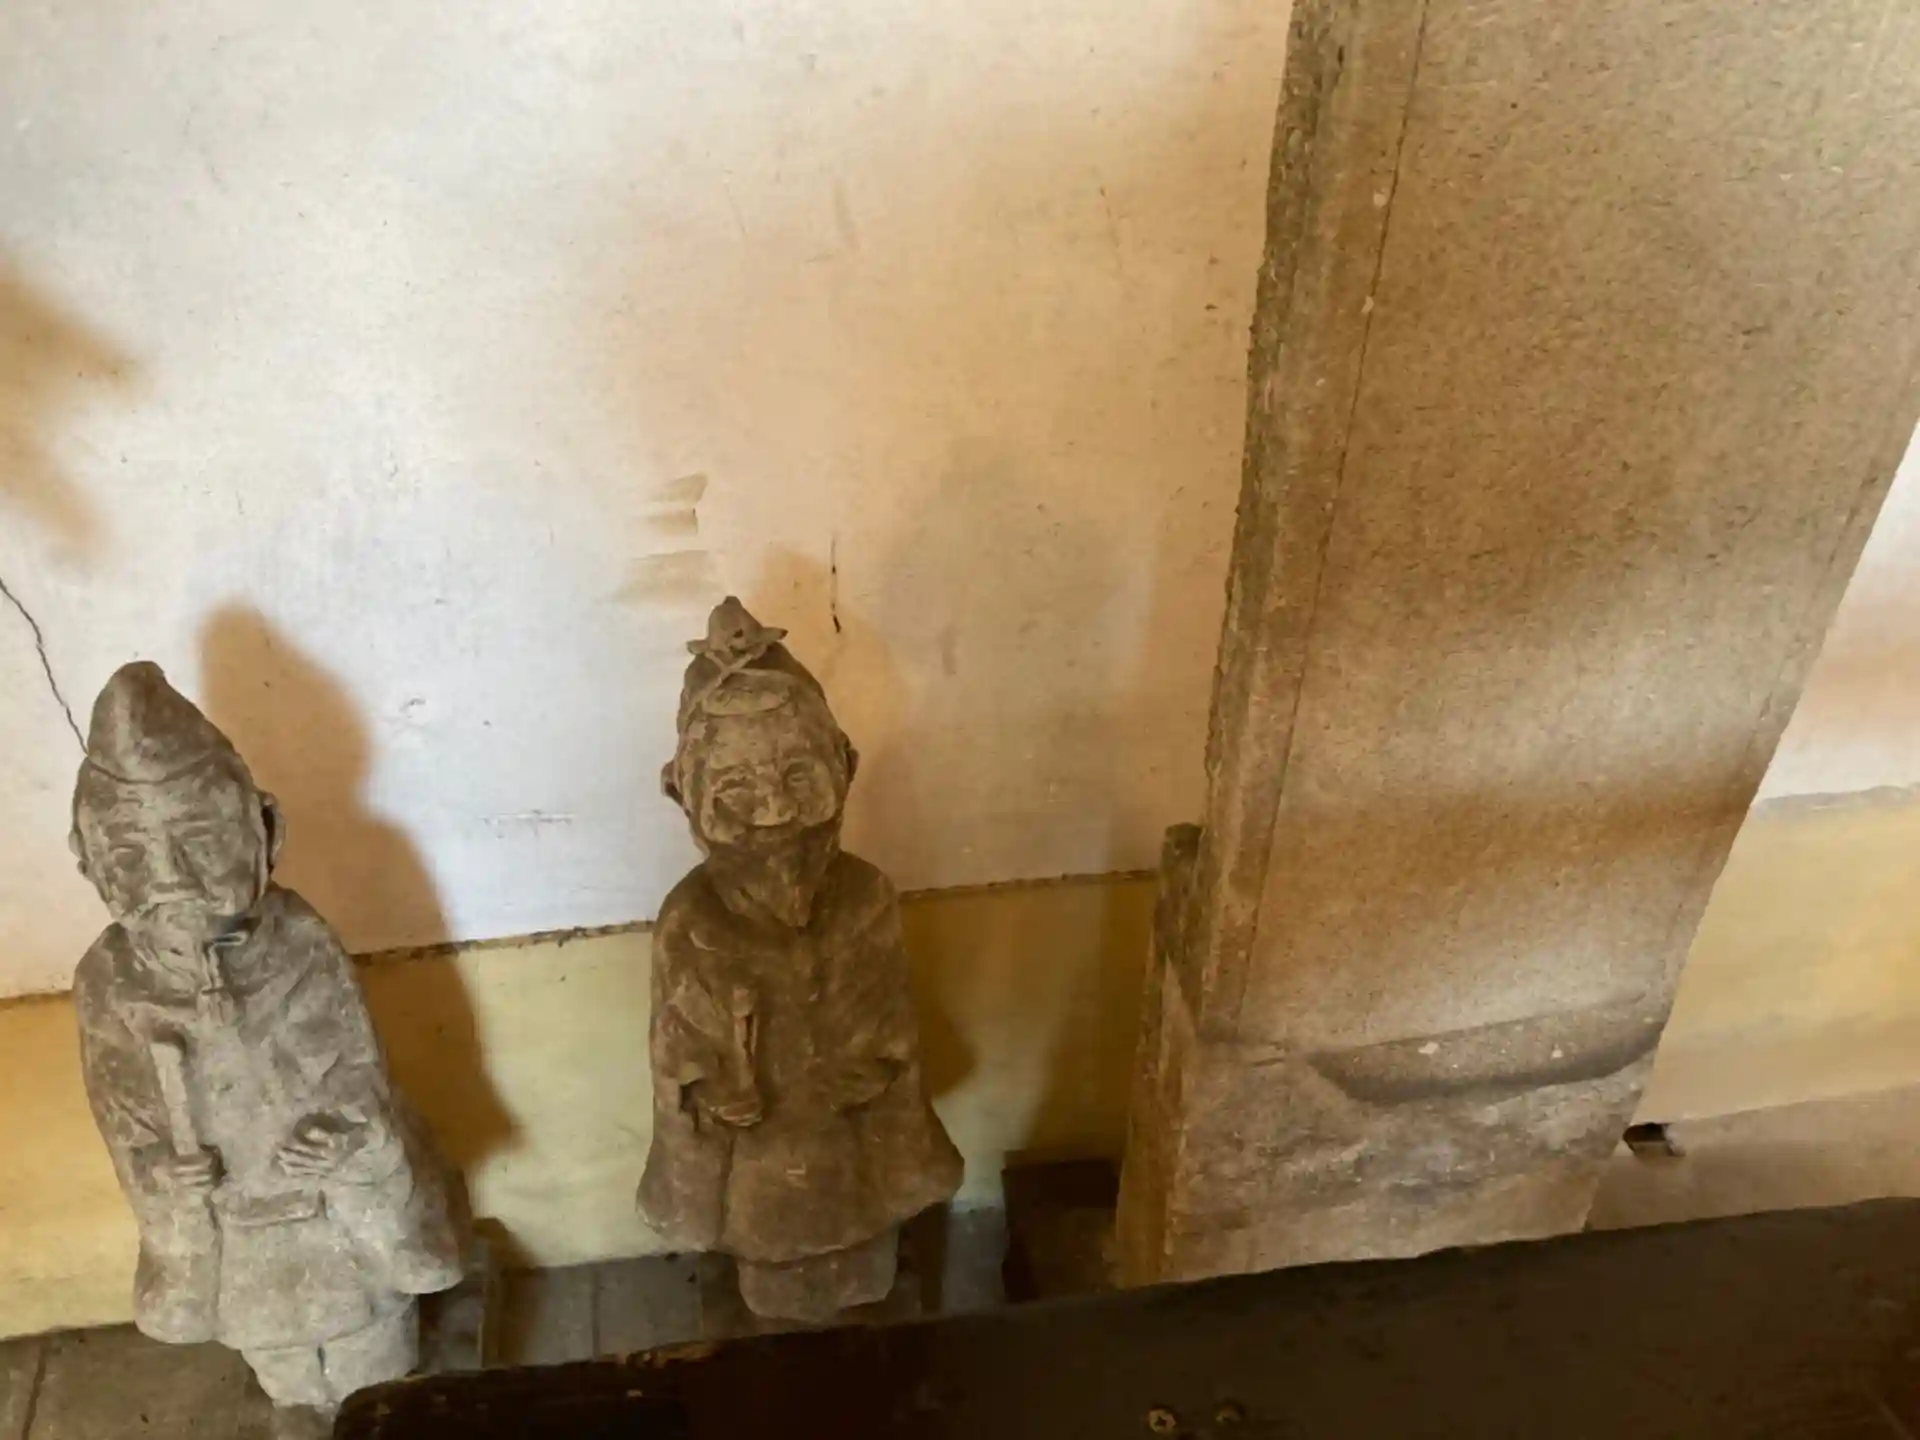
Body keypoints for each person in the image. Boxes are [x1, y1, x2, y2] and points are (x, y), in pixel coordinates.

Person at [70, 662, 462, 1416]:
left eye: (199, 843)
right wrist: (164, 1177)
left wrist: (345, 1146)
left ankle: (379, 1406)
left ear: (265, 830)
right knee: (286, 1376)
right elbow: (125, 1122)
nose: (171, 880)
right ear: (89, 862)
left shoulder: (300, 943)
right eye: (132, 857)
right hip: (233, 1230)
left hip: (327, 1210)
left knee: (373, 1361)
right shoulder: (108, 983)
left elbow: (355, 1075)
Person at [639, 599, 962, 1321]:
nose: (774, 813)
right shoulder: (690, 924)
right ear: (681, 793)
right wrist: (713, 1091)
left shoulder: (866, 897)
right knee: (773, 1273)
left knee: (868, 1262)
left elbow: (891, 1021)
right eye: (736, 788)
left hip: (853, 1144)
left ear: (845, 766)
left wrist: (877, 1066)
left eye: (796, 777)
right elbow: (679, 1054)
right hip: (758, 1163)